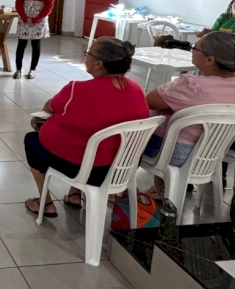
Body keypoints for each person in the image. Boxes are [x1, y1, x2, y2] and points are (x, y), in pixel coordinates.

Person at [24, 38, 149, 217]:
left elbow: (49, 107)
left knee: (31, 140)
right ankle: (74, 195)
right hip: (123, 169)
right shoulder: (136, 90)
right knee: (86, 139)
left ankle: (46, 203)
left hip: (89, 171)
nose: (86, 57)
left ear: (98, 64)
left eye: (88, 53)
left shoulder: (77, 89)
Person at [140, 32, 235, 196]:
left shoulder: (192, 85)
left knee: (130, 127)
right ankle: (163, 189)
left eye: (195, 47)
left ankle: (117, 184)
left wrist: (174, 90)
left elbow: (149, 101)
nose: (192, 50)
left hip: (176, 154)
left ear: (209, 60)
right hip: (214, 152)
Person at [14, 0, 56, 80]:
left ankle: (32, 70)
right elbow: (18, 3)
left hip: (38, 19)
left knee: (35, 44)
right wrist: (24, 17)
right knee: (21, 44)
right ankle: (18, 69)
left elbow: (49, 6)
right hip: (24, 18)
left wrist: (36, 19)